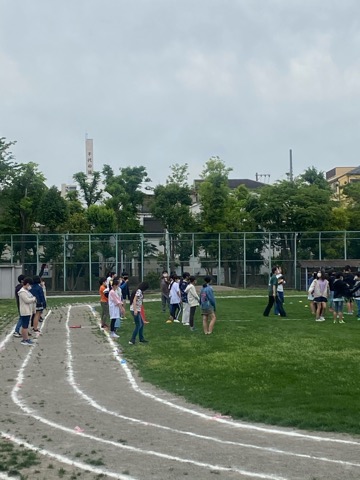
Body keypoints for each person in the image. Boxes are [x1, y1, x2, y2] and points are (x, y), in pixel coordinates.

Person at [18, 277, 37, 346]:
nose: (30, 287)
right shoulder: (22, 292)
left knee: (26, 325)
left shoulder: (27, 291)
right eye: (30, 285)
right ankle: (24, 339)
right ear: (27, 284)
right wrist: (33, 299)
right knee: (25, 326)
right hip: (25, 311)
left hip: (28, 310)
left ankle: (26, 338)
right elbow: (27, 300)